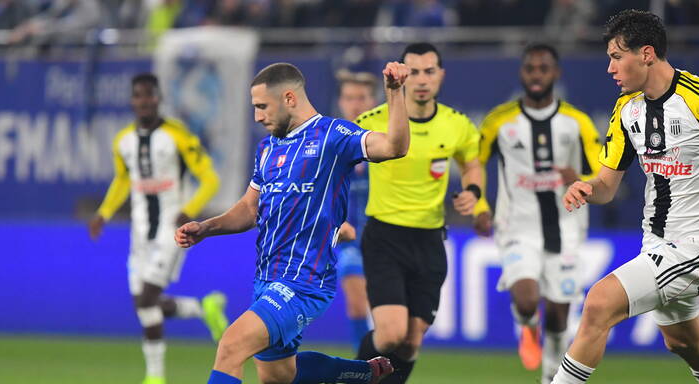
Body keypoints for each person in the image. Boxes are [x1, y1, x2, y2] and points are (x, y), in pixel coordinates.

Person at [552, 9, 699, 384]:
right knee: (684, 341)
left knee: (600, 302)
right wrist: (587, 188)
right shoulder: (626, 110)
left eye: (617, 57)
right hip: (657, 243)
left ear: (646, 54)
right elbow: (606, 187)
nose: (609, 69)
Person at [175, 61, 411, 384]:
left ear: (289, 98)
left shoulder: (334, 135)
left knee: (231, 345)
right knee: (279, 375)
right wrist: (207, 228)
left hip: (304, 281)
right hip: (267, 279)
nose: (257, 116)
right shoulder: (266, 149)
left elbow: (395, 147)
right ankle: (363, 372)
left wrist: (395, 93)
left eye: (262, 107)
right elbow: (249, 207)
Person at [354, 42, 483, 384]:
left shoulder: (457, 124)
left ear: (441, 75)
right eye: (414, 72)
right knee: (392, 335)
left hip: (429, 241)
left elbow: (472, 163)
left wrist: (473, 192)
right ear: (403, 75)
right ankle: (349, 377)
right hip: (384, 237)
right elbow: (338, 165)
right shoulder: (371, 121)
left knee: (411, 344)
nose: (422, 80)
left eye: (430, 71)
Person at [472, 43, 601, 383]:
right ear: (522, 73)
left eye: (544, 69)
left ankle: (550, 374)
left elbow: (604, 170)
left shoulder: (577, 122)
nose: (536, 75)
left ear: (555, 73)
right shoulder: (499, 122)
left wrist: (582, 179)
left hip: (567, 228)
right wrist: (480, 206)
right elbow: (473, 163)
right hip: (517, 227)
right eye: (530, 68)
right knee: (528, 301)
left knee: (559, 317)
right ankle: (527, 326)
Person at [89, 73, 227, 384]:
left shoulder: (177, 135)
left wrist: (189, 211)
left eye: (149, 95)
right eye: (138, 95)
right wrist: (104, 213)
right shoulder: (123, 140)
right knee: (145, 304)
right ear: (132, 100)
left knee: (148, 297)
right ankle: (203, 308)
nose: (144, 101)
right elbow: (124, 179)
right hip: (139, 234)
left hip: (171, 230)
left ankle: (155, 377)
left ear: (158, 98)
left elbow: (210, 178)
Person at [334, 70, 379, 351]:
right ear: (340, 101)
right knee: (356, 302)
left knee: (387, 315)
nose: (355, 104)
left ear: (373, 101)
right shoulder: (332, 142)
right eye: (349, 98)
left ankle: (383, 362)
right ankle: (365, 366)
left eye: (361, 97)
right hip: (348, 237)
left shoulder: (387, 141)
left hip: (383, 237)